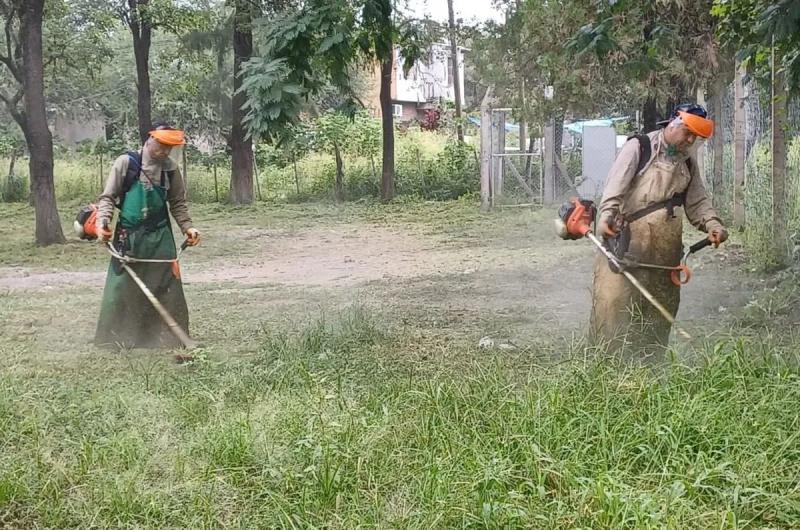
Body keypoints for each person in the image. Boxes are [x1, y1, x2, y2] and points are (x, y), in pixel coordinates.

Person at [590, 103, 728, 355]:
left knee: (659, 314)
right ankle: (608, 367)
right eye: (688, 133)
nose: (690, 140)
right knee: (614, 311)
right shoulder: (640, 147)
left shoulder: (687, 163)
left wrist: (712, 224)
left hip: (665, 255)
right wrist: (606, 216)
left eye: (695, 137)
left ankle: (652, 366)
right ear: (673, 123)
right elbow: (614, 188)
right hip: (626, 247)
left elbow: (697, 201)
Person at [94, 123, 200, 349]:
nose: (165, 151)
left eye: (170, 148)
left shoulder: (170, 169)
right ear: (150, 139)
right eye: (162, 145)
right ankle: (116, 339)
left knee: (168, 285)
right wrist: (102, 223)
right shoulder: (127, 163)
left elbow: (178, 203)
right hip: (129, 236)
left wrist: (188, 227)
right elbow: (108, 198)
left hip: (161, 236)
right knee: (122, 288)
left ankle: (169, 339)